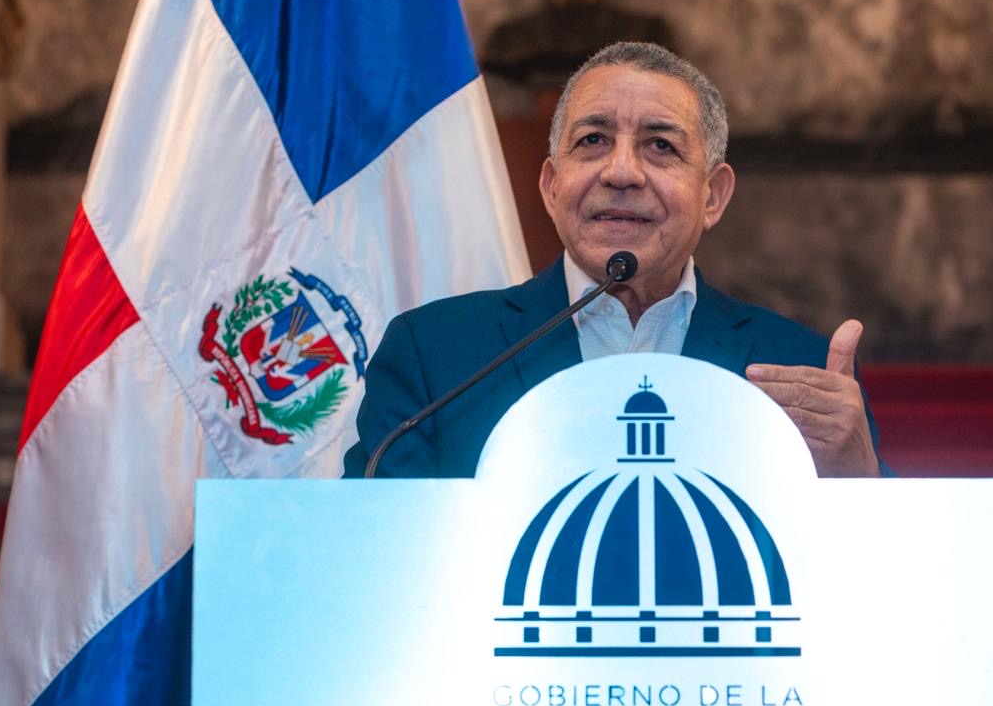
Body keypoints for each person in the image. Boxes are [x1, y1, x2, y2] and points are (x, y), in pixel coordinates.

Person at [344, 41, 886, 480]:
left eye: (660, 146)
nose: (621, 172)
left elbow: (870, 568)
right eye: (593, 140)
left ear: (713, 196)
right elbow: (375, 550)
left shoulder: (799, 365)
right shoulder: (433, 354)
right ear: (551, 186)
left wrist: (857, 477)